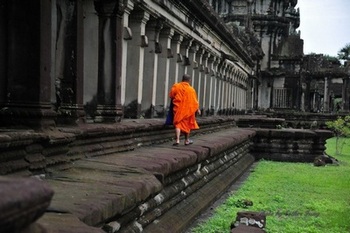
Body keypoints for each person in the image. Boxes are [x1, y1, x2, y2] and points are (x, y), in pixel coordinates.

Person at [169, 74, 201, 146]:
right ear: (189, 80)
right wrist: (197, 109)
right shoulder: (191, 89)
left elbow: (171, 95)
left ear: (182, 79)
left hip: (178, 108)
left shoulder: (176, 86)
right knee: (187, 124)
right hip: (188, 110)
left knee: (178, 123)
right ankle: (186, 140)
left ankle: (177, 140)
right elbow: (194, 101)